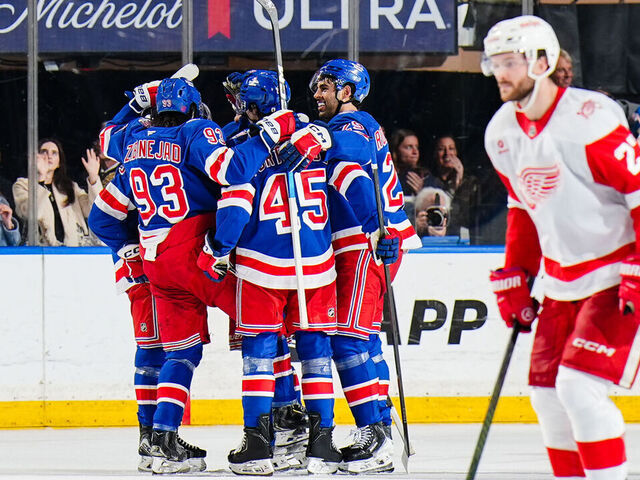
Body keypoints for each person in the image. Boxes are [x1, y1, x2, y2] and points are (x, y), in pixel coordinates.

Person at [88, 76, 300, 474]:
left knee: (179, 351)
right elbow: (233, 168)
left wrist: (137, 100)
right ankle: (284, 415)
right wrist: (272, 132)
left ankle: (161, 440)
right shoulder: (196, 131)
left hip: (156, 263)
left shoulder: (133, 139)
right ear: (193, 110)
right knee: (262, 321)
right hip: (196, 249)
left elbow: (101, 206)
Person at [483, 15, 640, 479]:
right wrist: (517, 273)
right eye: (494, 63)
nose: (500, 73)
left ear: (543, 61)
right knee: (547, 396)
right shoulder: (501, 133)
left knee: (578, 388)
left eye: (510, 62)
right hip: (562, 280)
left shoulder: (587, 120)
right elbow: (522, 209)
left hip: (617, 273)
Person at [309, 58, 421, 474]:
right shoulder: (359, 126)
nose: (316, 95)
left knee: (347, 340)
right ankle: (380, 423)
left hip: (363, 243)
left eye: (325, 87)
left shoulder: (347, 129)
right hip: (370, 240)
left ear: (347, 91)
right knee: (365, 340)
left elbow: (352, 176)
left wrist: (376, 229)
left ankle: (374, 435)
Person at [13, 138, 102, 246]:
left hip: (73, 251)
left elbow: (94, 211)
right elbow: (33, 214)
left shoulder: (71, 188)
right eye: (44, 152)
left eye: (54, 153)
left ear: (59, 162)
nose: (49, 156)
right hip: (39, 253)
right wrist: (41, 177)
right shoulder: (22, 185)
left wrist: (93, 177)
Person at [428, 134, 478, 238]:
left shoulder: (470, 182)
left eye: (451, 149)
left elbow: (467, 215)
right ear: (434, 154)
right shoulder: (428, 181)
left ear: (456, 152)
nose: (447, 154)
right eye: (442, 149)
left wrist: (459, 181)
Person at [389, 129, 429, 197]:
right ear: (396, 151)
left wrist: (422, 193)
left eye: (416, 147)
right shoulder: (388, 176)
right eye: (408, 147)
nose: (415, 152)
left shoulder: (426, 176)